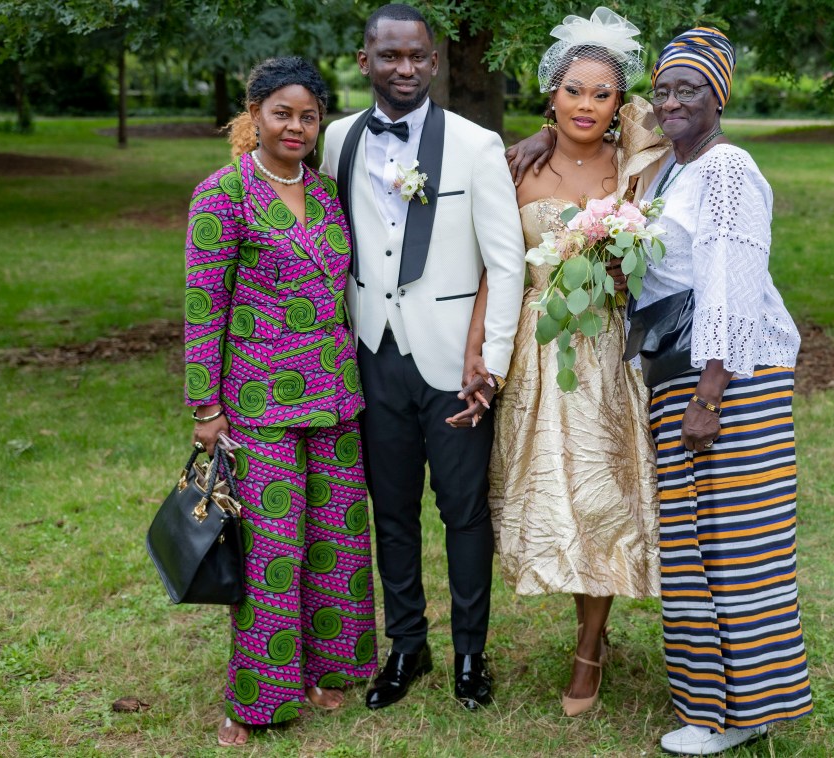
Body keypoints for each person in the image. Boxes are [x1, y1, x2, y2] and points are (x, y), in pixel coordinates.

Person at [508, 25, 813, 757]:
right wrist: (543, 135)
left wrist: (710, 394)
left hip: (726, 380)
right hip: (674, 371)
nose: (672, 102)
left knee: (735, 547)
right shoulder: (675, 168)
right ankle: (714, 704)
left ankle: (740, 710)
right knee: (695, 547)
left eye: (691, 90)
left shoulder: (726, 167)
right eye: (665, 89)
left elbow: (733, 282)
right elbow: (602, 128)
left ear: (720, 99)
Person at [452, 7, 666, 718]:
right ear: (552, 92)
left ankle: (589, 647)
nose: (586, 105)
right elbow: (495, 267)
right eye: (574, 90)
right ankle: (585, 622)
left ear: (618, 102)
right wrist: (480, 352)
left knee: (605, 494)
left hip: (605, 349)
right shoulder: (516, 165)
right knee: (555, 494)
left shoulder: (637, 165)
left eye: (603, 93)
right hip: (539, 350)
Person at [319, 4, 525, 711]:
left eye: (416, 57)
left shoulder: (476, 145)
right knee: (393, 510)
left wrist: (491, 362)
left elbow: (507, 263)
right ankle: (407, 645)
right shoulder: (338, 139)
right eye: (389, 56)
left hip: (454, 364)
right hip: (371, 353)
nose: (403, 68)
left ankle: (471, 652)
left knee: (463, 512)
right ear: (365, 60)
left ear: (434, 62)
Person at [184, 56, 377, 748]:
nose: (296, 126)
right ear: (255, 114)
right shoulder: (222, 194)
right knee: (271, 551)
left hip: (334, 396)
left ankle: (325, 671)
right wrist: (206, 408)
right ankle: (255, 700)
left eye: (308, 116)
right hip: (259, 402)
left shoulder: (325, 192)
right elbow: (203, 306)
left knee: (336, 541)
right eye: (282, 113)